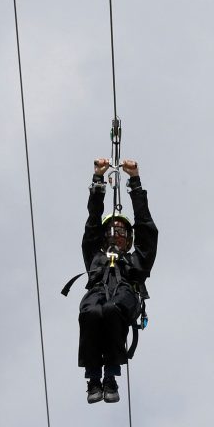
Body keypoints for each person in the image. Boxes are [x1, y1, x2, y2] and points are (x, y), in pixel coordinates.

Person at [79, 158, 158, 404]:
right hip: (98, 291)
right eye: (112, 231)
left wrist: (135, 183)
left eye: (122, 232)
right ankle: (93, 379)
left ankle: (111, 376)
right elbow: (93, 222)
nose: (117, 236)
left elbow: (147, 229)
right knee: (91, 312)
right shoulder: (95, 256)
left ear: (129, 239)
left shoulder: (137, 262)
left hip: (125, 295)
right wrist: (98, 180)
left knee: (113, 310)